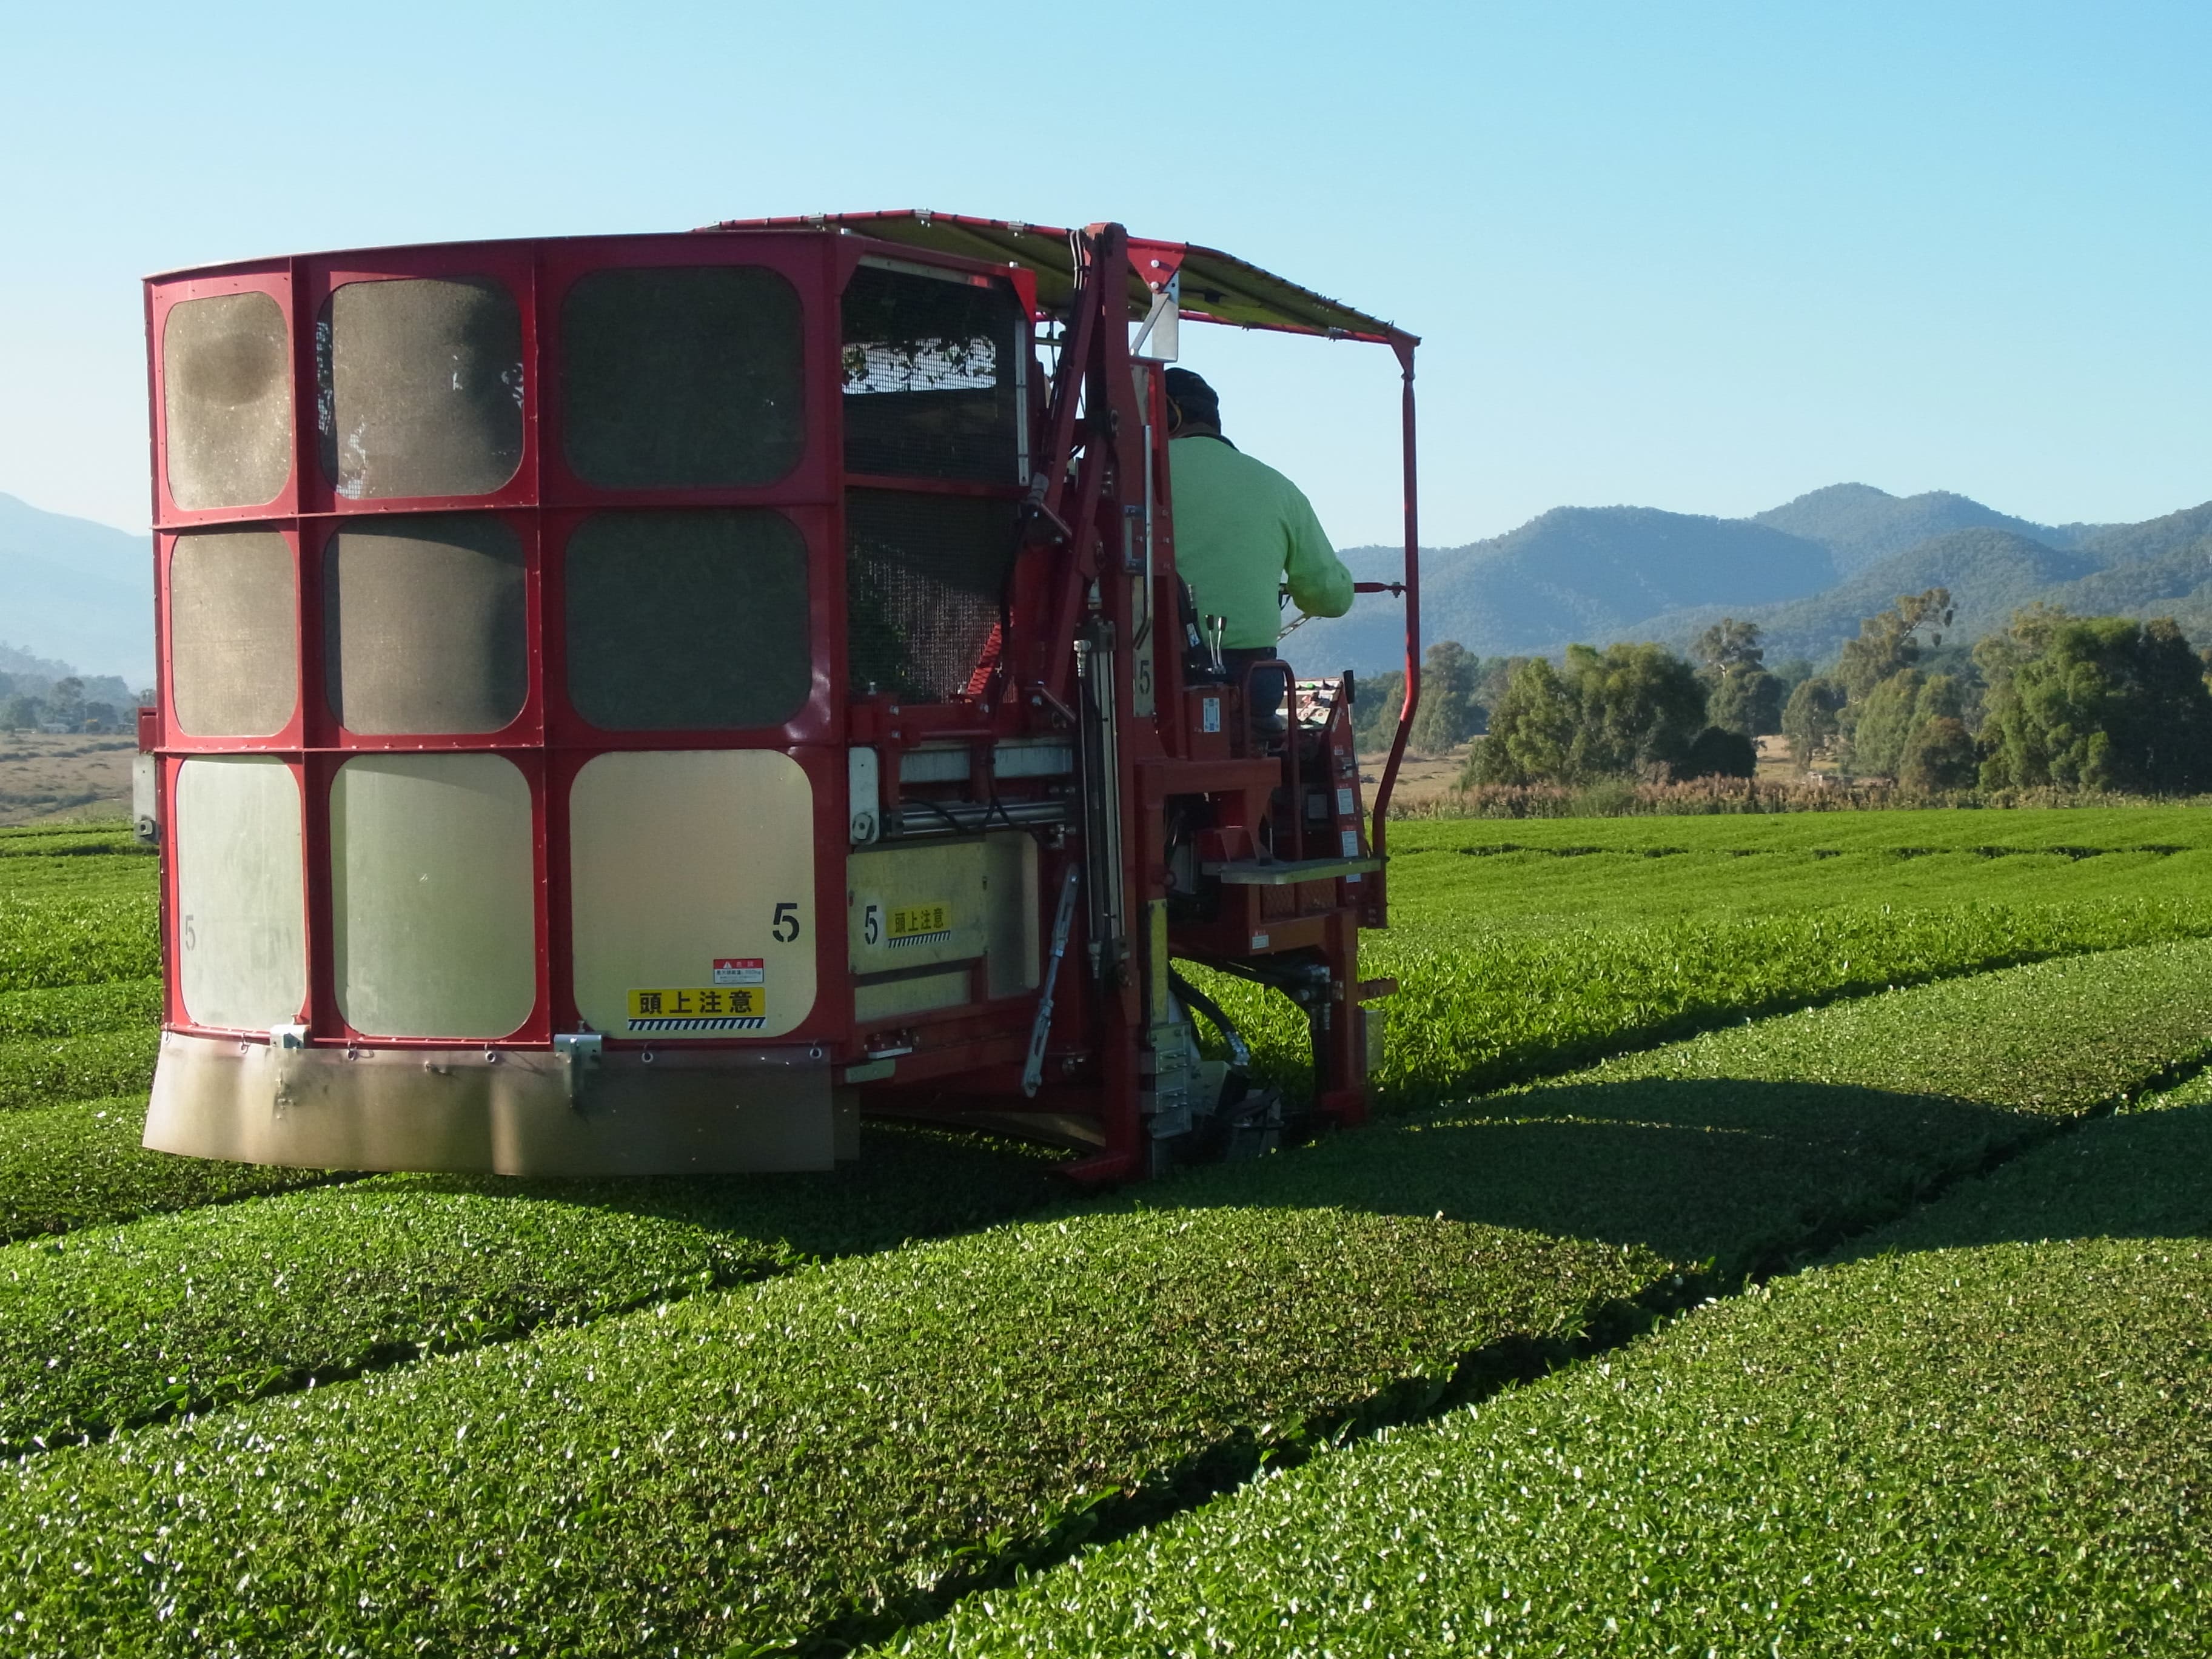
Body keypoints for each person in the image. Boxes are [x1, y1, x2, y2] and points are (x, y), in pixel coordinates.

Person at [1164, 367, 1353, 732]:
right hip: (1255, 684)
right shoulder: (1279, 487)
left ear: (1169, 415)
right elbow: (1331, 599)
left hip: (1147, 685)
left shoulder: (1132, 477)